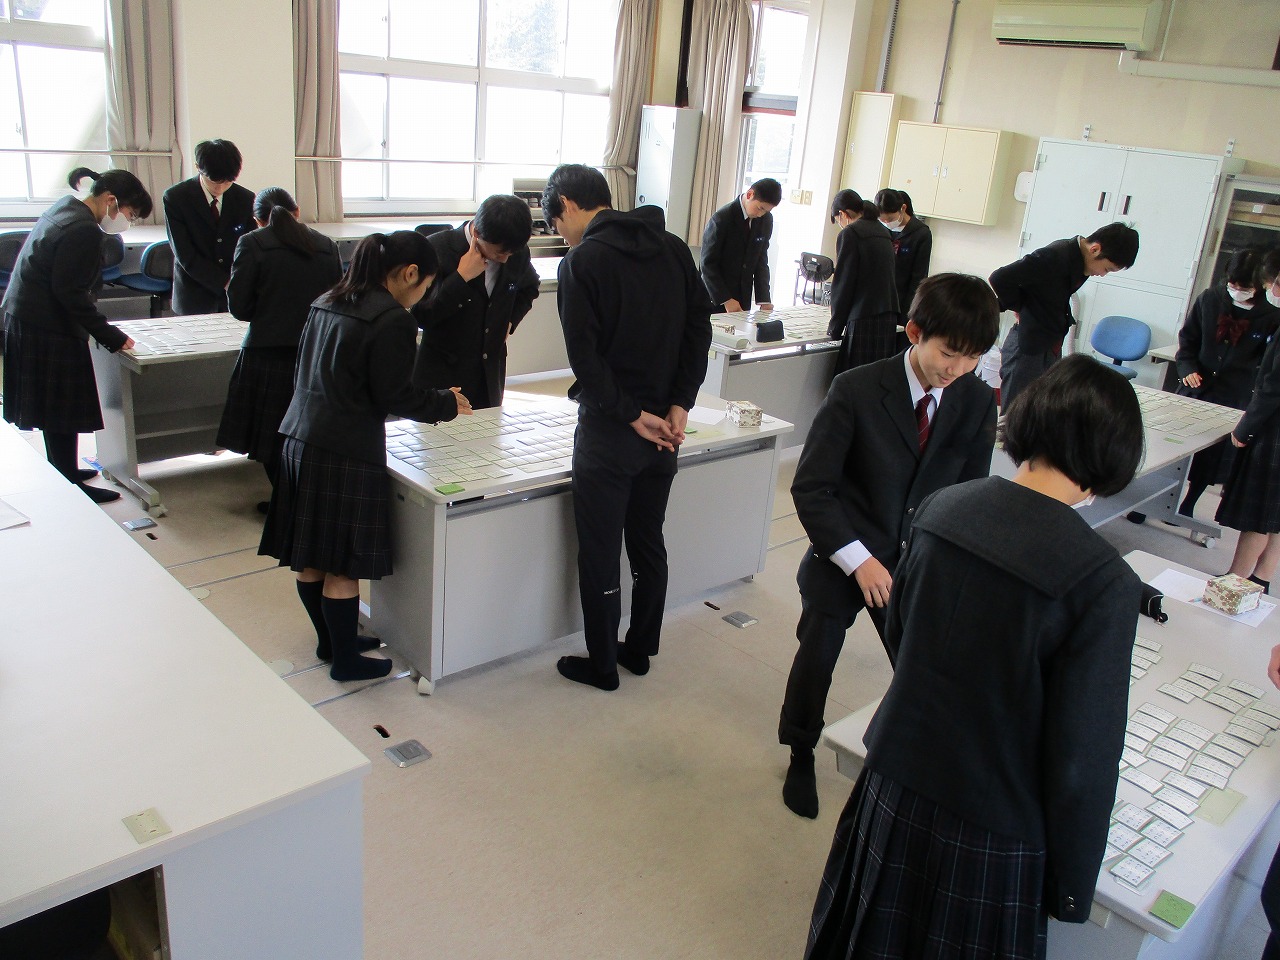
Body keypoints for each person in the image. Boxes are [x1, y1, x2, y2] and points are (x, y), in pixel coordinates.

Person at [805, 354, 1145, 960]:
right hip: (995, 822)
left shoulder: (943, 509)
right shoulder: (1103, 582)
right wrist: (1071, 886)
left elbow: (903, 638)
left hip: (896, 778)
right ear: (1109, 459)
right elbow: (1082, 756)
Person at [780, 273, 1000, 819]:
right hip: (845, 553)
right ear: (915, 332)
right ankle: (801, 749)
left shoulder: (975, 401)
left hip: (917, 561)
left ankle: (905, 759)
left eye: (972, 357)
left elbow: (968, 494)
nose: (957, 368)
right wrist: (860, 561)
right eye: (948, 352)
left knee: (921, 665)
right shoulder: (856, 389)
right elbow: (812, 488)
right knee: (817, 656)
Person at [259, 231, 473, 681]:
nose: (423, 296)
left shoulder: (327, 301)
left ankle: (330, 641)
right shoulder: (391, 319)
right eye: (426, 286)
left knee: (311, 558)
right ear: (410, 273)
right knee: (343, 564)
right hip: (345, 450)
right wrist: (445, 403)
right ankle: (345, 661)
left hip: (298, 438)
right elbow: (395, 395)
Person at [541, 164, 712, 691]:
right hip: (666, 431)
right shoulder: (674, 248)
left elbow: (586, 362)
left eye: (556, 224)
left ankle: (601, 665)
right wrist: (681, 403)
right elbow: (698, 331)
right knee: (647, 541)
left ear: (567, 204)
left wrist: (632, 415)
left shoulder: (581, 262)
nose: (561, 235)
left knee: (600, 550)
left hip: (612, 430)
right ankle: (639, 648)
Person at [1, 166, 152, 504]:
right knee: (60, 406)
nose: (127, 221)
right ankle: (69, 480)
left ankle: (64, 469)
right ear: (111, 201)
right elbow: (70, 293)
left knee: (55, 407)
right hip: (44, 324)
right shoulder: (83, 230)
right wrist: (110, 335)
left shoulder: (67, 207)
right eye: (130, 214)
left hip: (27, 316)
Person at [217, 187, 343, 512]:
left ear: (257, 219)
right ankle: (302, 499)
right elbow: (337, 302)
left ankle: (286, 503)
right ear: (297, 211)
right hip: (316, 354)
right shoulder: (327, 246)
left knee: (272, 435)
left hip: (267, 353)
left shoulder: (252, 243)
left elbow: (240, 308)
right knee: (308, 432)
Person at [1173, 248, 1280, 517]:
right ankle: (1160, 497)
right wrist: (1187, 368)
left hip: (1233, 395)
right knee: (1175, 445)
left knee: (1212, 456)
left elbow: (1268, 365)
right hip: (1195, 388)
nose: (1237, 291)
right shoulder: (1210, 298)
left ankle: (1188, 503)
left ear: (1260, 285)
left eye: (1245, 287)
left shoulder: (1271, 313)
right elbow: (1187, 341)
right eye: (1233, 285)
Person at [412, 194, 541, 409]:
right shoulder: (437, 248)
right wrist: (461, 277)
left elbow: (530, 287)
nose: (505, 259)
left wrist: (509, 322)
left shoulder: (516, 253)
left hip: (489, 378)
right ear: (477, 233)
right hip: (442, 377)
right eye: (499, 253)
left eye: (510, 253)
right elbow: (421, 316)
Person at [991, 221, 1139, 407]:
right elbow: (1000, 277)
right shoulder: (1054, 256)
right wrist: (1019, 306)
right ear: (1095, 249)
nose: (1103, 275)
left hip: (1049, 343)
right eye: (1107, 269)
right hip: (1028, 346)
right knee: (1016, 410)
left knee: (1041, 409)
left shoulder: (1080, 260)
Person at [1216, 248, 1280, 595]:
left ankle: (1234, 581)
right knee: (1276, 513)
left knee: (1259, 512)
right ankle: (1262, 578)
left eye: (1272, 283)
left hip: (1275, 430)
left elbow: (1273, 386)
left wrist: (1245, 427)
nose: (1270, 290)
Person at [163, 138, 256, 314]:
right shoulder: (176, 198)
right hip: (193, 294)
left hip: (234, 296)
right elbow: (185, 254)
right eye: (214, 181)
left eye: (227, 182)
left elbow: (250, 247)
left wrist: (242, 281)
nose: (220, 188)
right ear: (198, 167)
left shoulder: (246, 199)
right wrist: (225, 282)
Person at [826, 188, 899, 374]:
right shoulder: (883, 232)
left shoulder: (851, 233)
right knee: (876, 376)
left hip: (863, 318)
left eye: (838, 221)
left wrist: (834, 329)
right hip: (888, 316)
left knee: (854, 378)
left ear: (843, 214)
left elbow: (844, 283)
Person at [699, 177, 780, 313]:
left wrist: (764, 300)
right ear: (750, 195)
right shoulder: (722, 218)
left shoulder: (766, 220)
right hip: (715, 297)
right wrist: (725, 299)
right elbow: (707, 264)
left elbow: (761, 260)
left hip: (743, 297)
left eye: (766, 211)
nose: (761, 214)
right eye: (760, 208)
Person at [875, 187, 932, 314]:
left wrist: (910, 309)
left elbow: (918, 276)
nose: (886, 223)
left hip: (902, 301)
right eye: (882, 220)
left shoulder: (920, 233)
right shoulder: (880, 229)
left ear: (903, 208)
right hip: (878, 298)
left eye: (890, 219)